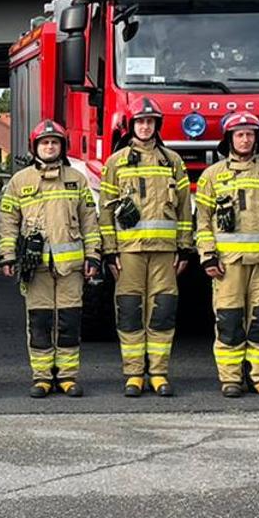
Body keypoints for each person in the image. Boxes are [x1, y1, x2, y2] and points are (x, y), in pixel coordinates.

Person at [97, 97, 193, 397]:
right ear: (131, 126)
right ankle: (134, 374)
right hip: (128, 254)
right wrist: (110, 252)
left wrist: (185, 248)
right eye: (140, 121)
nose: (145, 126)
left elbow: (183, 209)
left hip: (165, 253)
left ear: (157, 126)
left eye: (150, 121)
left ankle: (160, 373)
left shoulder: (173, 161)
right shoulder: (116, 162)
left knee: (163, 313)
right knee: (129, 312)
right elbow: (105, 210)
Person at [0, 119, 103, 398]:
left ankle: (68, 377)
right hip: (36, 269)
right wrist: (7, 256)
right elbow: (8, 222)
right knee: (40, 322)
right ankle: (42, 378)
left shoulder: (77, 179)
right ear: (35, 147)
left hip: (71, 267)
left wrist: (93, 255)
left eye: (54, 142)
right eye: (44, 143)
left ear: (62, 146)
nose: (49, 147)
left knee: (69, 322)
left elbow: (89, 222)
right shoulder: (19, 181)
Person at [194, 112, 259, 398]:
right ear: (229, 139)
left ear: (257, 138)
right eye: (239, 134)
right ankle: (231, 378)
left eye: (250, 134)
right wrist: (208, 256)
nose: (245, 139)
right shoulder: (212, 176)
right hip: (228, 264)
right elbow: (202, 221)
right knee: (229, 321)